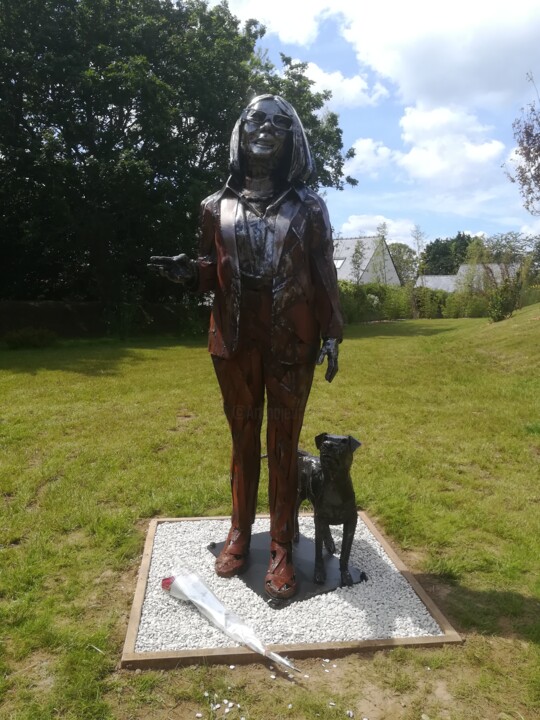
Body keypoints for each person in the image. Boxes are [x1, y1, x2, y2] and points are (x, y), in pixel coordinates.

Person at [149, 94, 343, 599]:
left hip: (291, 335)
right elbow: (213, 270)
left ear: (291, 140)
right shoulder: (215, 207)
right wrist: (187, 273)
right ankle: (239, 533)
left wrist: (334, 333)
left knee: (283, 443)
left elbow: (323, 272)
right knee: (242, 438)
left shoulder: (310, 207)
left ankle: (280, 544)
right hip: (234, 335)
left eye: (280, 124)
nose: (267, 129)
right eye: (257, 120)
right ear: (241, 131)